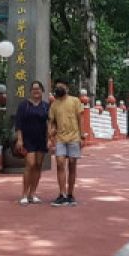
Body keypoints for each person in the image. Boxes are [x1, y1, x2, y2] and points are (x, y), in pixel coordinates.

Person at [47, 78, 84, 206]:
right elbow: (51, 122)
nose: (59, 88)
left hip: (74, 138)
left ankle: (70, 194)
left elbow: (80, 119)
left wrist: (81, 136)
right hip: (60, 139)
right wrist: (50, 134)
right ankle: (62, 194)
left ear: (67, 88)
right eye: (57, 86)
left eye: (61, 86)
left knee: (72, 165)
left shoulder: (75, 101)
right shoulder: (54, 104)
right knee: (60, 163)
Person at [13, 80, 51, 205]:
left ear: (42, 91)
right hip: (27, 139)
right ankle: (24, 194)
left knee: (38, 165)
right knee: (30, 164)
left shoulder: (46, 106)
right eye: (34, 89)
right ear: (30, 91)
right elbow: (18, 123)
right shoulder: (24, 105)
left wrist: (49, 139)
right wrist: (20, 139)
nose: (36, 91)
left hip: (40, 139)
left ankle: (32, 193)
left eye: (38, 89)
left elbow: (49, 123)